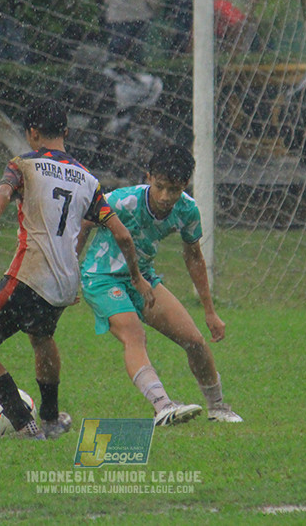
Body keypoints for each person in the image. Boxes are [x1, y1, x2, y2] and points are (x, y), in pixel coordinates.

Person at [0, 99, 154, 440]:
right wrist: (136, 275)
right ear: (65, 132)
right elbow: (122, 233)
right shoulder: (89, 181)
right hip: (63, 286)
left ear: (32, 134)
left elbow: (1, 197)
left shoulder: (23, 165)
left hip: (27, 277)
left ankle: (24, 423)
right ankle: (49, 418)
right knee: (41, 337)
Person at [78, 145, 242, 426]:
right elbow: (84, 221)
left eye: (174, 189)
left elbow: (193, 256)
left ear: (185, 185)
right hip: (101, 277)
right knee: (134, 334)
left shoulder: (188, 210)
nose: (166, 197)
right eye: (160, 187)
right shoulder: (122, 200)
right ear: (149, 176)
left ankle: (218, 408)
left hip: (143, 278)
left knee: (194, 341)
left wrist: (210, 311)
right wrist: (69, 269)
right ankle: (163, 406)